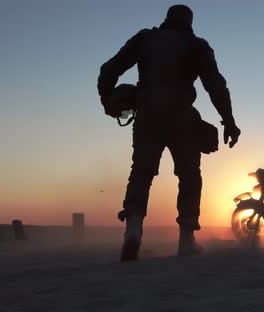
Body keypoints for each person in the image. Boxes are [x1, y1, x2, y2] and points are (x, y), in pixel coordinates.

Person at [97, 5, 241, 261]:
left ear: (167, 19)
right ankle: (186, 239)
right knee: (189, 175)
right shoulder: (197, 45)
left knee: (141, 173)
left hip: (147, 115)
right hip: (182, 117)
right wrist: (228, 121)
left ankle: (133, 229)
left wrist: (107, 99)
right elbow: (215, 85)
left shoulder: (145, 39)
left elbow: (109, 69)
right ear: (189, 22)